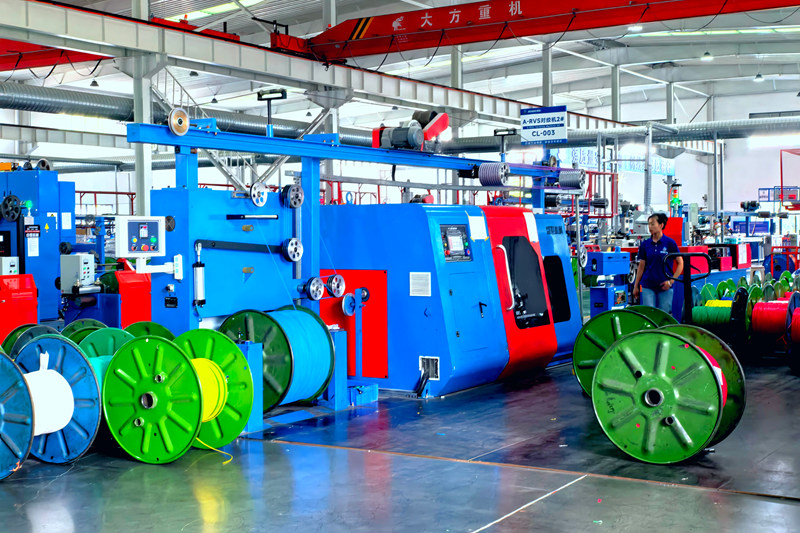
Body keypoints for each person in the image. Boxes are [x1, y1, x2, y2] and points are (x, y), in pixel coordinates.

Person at [633, 213, 684, 314]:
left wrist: (671, 282)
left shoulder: (670, 243)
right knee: (649, 314)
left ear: (661, 225)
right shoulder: (645, 244)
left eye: (652, 224)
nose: (650, 227)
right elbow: (641, 267)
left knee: (664, 315)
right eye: (649, 224)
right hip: (648, 285)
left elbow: (680, 263)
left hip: (665, 285)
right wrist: (636, 286)